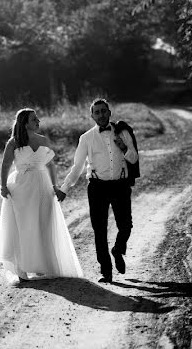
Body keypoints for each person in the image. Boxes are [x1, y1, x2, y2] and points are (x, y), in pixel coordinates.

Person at [0, 108, 84, 281]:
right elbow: (5, 165)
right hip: (21, 188)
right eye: (34, 119)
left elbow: (50, 165)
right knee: (24, 227)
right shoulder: (13, 142)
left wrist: (55, 186)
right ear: (25, 122)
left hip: (43, 186)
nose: (38, 122)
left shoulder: (43, 140)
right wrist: (3, 186)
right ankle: (22, 270)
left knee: (43, 224)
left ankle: (41, 264)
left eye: (37, 119)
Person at [57, 98, 139, 283]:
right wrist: (64, 188)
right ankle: (106, 271)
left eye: (104, 111)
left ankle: (118, 250)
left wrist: (123, 147)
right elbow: (77, 167)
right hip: (97, 187)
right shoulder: (86, 138)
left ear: (109, 112)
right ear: (92, 116)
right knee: (99, 230)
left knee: (126, 226)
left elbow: (133, 159)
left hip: (120, 185)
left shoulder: (123, 132)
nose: (101, 115)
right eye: (97, 112)